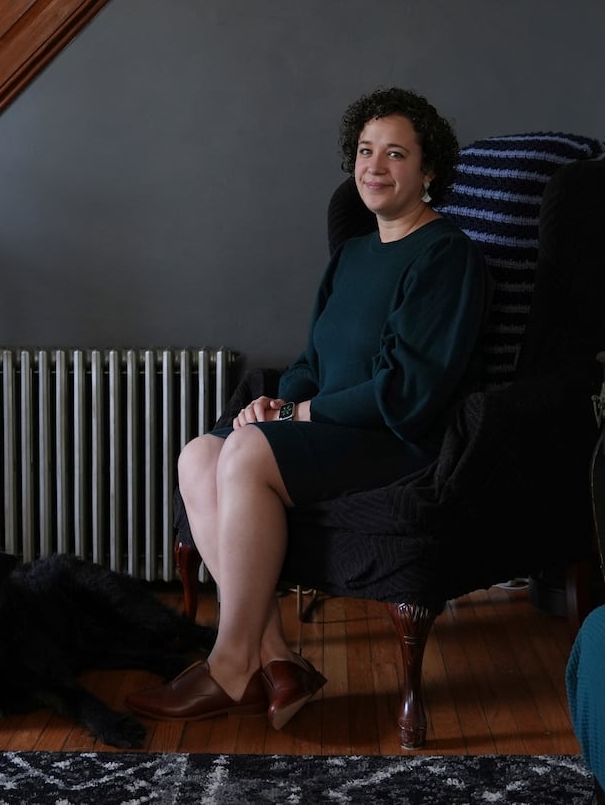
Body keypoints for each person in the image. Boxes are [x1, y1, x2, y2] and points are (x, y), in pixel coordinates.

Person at [125, 87, 488, 730]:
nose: (374, 166)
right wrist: (278, 399)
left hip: (397, 437)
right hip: (332, 429)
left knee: (245, 452)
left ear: (429, 170)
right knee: (200, 452)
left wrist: (295, 420)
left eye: (395, 153)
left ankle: (231, 663)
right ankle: (279, 660)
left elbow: (406, 390)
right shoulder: (350, 254)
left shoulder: (446, 255)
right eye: (365, 150)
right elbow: (312, 362)